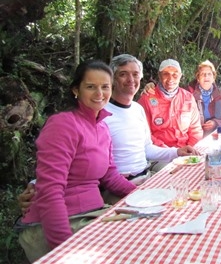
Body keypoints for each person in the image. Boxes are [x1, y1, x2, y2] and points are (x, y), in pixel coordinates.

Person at [17, 54, 200, 211]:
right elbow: (66, 165)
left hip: (145, 177)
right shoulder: (97, 116)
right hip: (115, 188)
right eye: (123, 74)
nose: (131, 80)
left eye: (135, 74)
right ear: (112, 79)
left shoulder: (135, 109)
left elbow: (146, 148)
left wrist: (177, 152)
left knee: (189, 192)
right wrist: (35, 184)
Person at [16, 60, 137, 262]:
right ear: (76, 90)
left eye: (105, 87)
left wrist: (144, 195)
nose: (99, 93)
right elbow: (50, 190)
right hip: (60, 223)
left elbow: (110, 175)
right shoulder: (63, 124)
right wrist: (66, 250)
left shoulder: (102, 128)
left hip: (93, 213)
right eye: (91, 87)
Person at [144, 60, 221, 136]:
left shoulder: (219, 95)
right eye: (203, 74)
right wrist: (152, 86)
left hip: (214, 133)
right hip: (194, 136)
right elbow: (171, 87)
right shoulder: (189, 92)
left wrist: (216, 122)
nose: (206, 77)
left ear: (213, 77)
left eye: (209, 74)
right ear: (198, 78)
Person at [138, 59, 203, 147]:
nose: (170, 79)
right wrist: (167, 152)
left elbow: (195, 130)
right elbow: (144, 133)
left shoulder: (188, 98)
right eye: (166, 74)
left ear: (180, 76)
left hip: (186, 153)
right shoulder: (146, 99)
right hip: (158, 153)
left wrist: (190, 150)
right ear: (159, 76)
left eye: (175, 74)